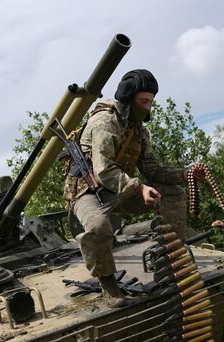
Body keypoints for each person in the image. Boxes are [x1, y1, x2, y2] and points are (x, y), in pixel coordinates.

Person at [63, 69, 202, 307]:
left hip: (120, 190)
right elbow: (104, 171)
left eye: (151, 102)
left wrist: (185, 173)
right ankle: (108, 283)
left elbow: (153, 170)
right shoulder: (104, 122)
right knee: (98, 226)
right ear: (128, 99)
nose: (148, 108)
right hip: (85, 192)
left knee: (173, 194)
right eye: (144, 102)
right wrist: (139, 189)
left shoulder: (139, 130)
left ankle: (174, 261)